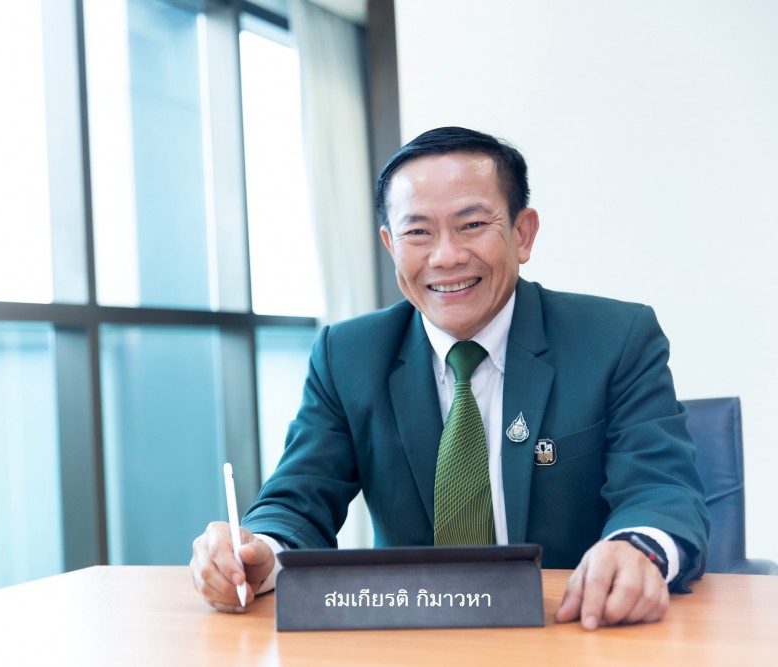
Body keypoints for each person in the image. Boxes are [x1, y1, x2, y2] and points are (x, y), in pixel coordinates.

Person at [190, 127, 709, 630]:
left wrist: (636, 550)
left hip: (573, 626)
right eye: (418, 232)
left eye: (472, 224)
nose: (446, 257)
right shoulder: (347, 355)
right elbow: (297, 499)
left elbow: (661, 488)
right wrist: (257, 552)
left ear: (522, 234)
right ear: (390, 244)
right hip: (412, 633)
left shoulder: (615, 338)